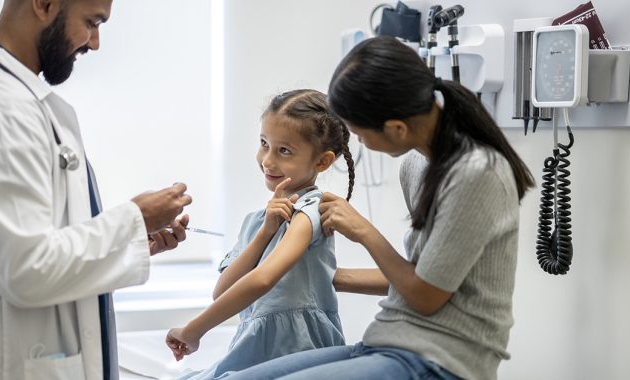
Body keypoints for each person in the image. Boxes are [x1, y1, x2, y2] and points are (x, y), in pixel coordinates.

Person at [224, 36, 536, 380]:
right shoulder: (416, 166)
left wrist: (364, 232)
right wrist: (322, 276)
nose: (359, 142)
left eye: (359, 132)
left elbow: (426, 296)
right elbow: (418, 276)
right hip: (387, 341)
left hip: (444, 359)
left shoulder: (478, 174)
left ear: (397, 128)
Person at [0, 1, 192, 379]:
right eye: (92, 22)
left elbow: (36, 240)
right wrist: (133, 219)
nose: (94, 43)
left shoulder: (16, 101)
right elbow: (26, 269)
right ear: (44, 4)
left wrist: (130, 239)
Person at [165, 89, 356, 379]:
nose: (267, 160)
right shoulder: (257, 221)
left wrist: (194, 330)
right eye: (264, 144)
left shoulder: (312, 209)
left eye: (284, 151)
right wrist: (264, 233)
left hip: (300, 348)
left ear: (322, 162)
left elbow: (265, 278)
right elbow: (222, 291)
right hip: (256, 346)